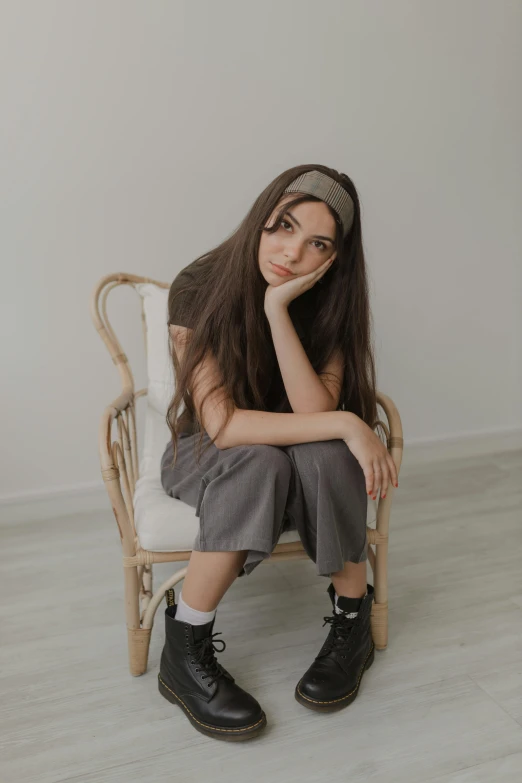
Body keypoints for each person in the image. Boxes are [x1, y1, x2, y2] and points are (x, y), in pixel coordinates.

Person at [157, 164, 398, 741]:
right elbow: (224, 426)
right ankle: (184, 648)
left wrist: (277, 311)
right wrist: (346, 420)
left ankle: (351, 620)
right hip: (209, 449)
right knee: (267, 457)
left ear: (335, 257)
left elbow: (311, 418)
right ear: (260, 219)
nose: (292, 252)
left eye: (317, 243)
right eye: (283, 226)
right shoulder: (199, 283)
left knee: (328, 454)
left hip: (298, 449)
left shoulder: (331, 302)